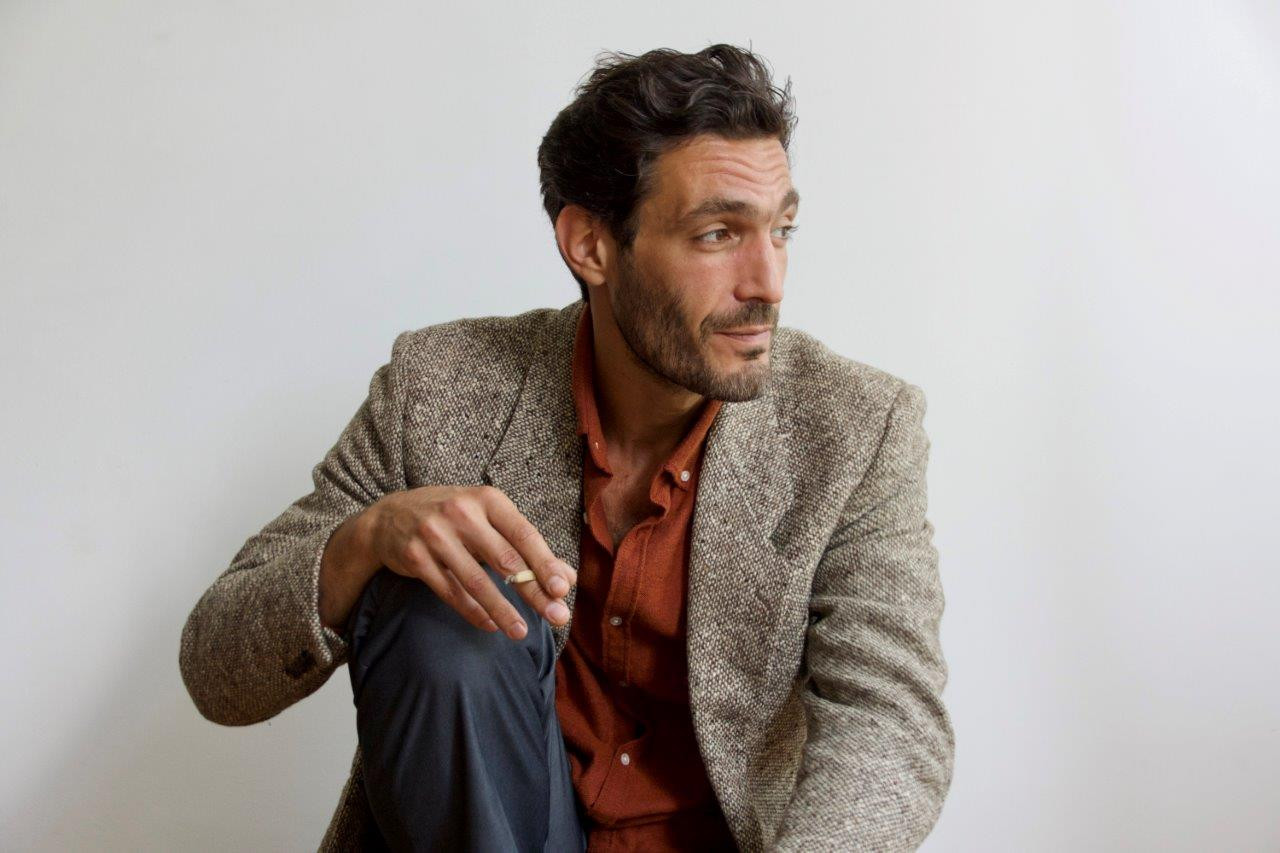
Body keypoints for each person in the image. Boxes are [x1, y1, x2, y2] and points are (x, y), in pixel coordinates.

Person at [179, 43, 954, 852]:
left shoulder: (856, 427)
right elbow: (216, 668)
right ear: (589, 244)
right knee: (441, 601)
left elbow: (890, 722)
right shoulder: (439, 389)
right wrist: (367, 539)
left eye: (781, 229)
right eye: (718, 233)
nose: (768, 282)